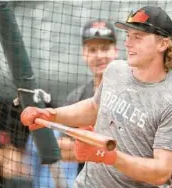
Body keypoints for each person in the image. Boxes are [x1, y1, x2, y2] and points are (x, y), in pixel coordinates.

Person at [20, 6, 172, 188]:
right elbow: (95, 107)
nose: (128, 43)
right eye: (128, 36)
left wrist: (110, 156)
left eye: (137, 37)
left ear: (162, 44)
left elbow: (161, 173)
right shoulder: (116, 70)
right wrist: (52, 114)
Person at [58, 18, 118, 174]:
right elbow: (62, 151)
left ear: (115, 51)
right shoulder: (76, 97)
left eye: (105, 49)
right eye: (92, 50)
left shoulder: (132, 91)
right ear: (84, 54)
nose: (99, 56)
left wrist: (87, 145)